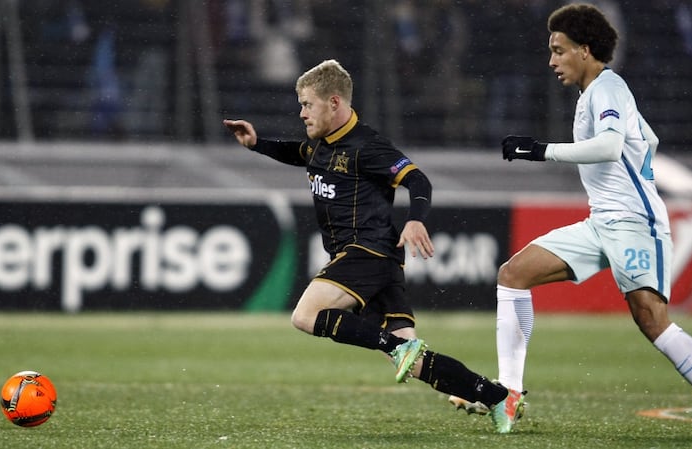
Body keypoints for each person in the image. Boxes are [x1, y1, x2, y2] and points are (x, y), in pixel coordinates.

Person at [450, 3, 692, 436]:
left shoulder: (608, 88)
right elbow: (648, 138)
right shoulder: (596, 92)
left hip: (633, 221)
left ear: (585, 50)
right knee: (513, 274)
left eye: (559, 50)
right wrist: (640, 161)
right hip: (601, 221)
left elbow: (610, 147)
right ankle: (509, 394)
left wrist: (540, 150)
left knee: (650, 318)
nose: (552, 60)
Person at [223, 59, 521, 433]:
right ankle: (497, 397)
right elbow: (297, 153)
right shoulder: (320, 146)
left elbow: (418, 179)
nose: (301, 113)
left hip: (368, 252)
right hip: (377, 263)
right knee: (415, 361)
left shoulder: (368, 146)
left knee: (305, 316)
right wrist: (256, 144)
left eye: (307, 104)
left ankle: (397, 347)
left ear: (334, 102)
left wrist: (415, 219)